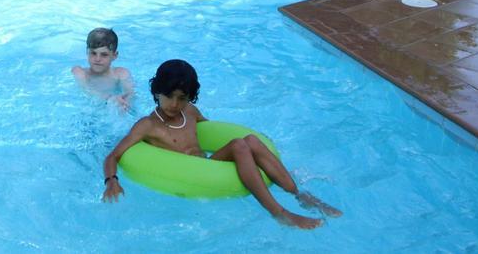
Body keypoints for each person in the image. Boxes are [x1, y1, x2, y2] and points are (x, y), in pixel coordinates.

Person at [100, 59, 340, 229]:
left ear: (189, 98)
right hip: (190, 175)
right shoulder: (147, 125)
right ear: (157, 92)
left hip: (208, 165)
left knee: (251, 141)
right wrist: (112, 181)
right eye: (169, 96)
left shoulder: (191, 113)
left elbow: (213, 133)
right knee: (239, 145)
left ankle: (300, 194)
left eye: (182, 99)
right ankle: (279, 212)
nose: (174, 104)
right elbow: (113, 156)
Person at [71, 27, 134, 110]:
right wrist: (110, 99)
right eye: (93, 53)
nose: (97, 59)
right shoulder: (79, 72)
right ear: (87, 52)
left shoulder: (120, 73)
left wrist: (125, 104)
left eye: (104, 55)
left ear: (114, 55)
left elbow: (130, 93)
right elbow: (86, 90)